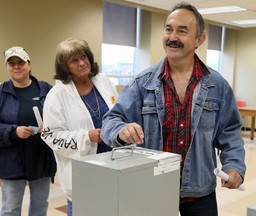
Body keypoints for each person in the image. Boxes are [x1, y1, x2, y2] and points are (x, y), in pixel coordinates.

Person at [100, 2, 246, 216]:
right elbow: (110, 121)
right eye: (168, 29)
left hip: (199, 194)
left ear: (199, 40)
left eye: (182, 31)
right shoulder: (142, 83)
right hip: (151, 190)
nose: (172, 36)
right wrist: (121, 131)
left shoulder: (217, 86)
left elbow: (230, 133)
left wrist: (234, 167)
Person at [41, 38, 118, 216]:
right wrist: (86, 137)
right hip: (83, 171)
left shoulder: (104, 81)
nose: (82, 63)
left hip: (113, 164)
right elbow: (50, 135)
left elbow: (118, 113)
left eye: (84, 57)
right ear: (65, 67)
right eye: (74, 60)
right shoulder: (57, 95)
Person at [0, 46, 57, 216]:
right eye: (11, 63)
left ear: (29, 65)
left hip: (41, 160)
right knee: (10, 209)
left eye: (20, 62)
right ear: (7, 67)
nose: (16, 66)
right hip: (12, 161)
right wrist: (14, 131)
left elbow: (61, 115)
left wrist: (51, 128)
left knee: (40, 206)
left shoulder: (46, 90)